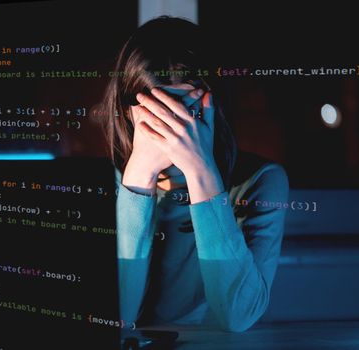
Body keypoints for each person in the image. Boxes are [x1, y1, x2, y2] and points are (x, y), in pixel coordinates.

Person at [99, 16, 289, 332]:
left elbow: (239, 316)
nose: (174, 132)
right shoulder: (101, 186)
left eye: (187, 113)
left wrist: (201, 171)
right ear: (129, 112)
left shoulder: (259, 182)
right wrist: (138, 178)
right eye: (159, 115)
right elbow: (117, 320)